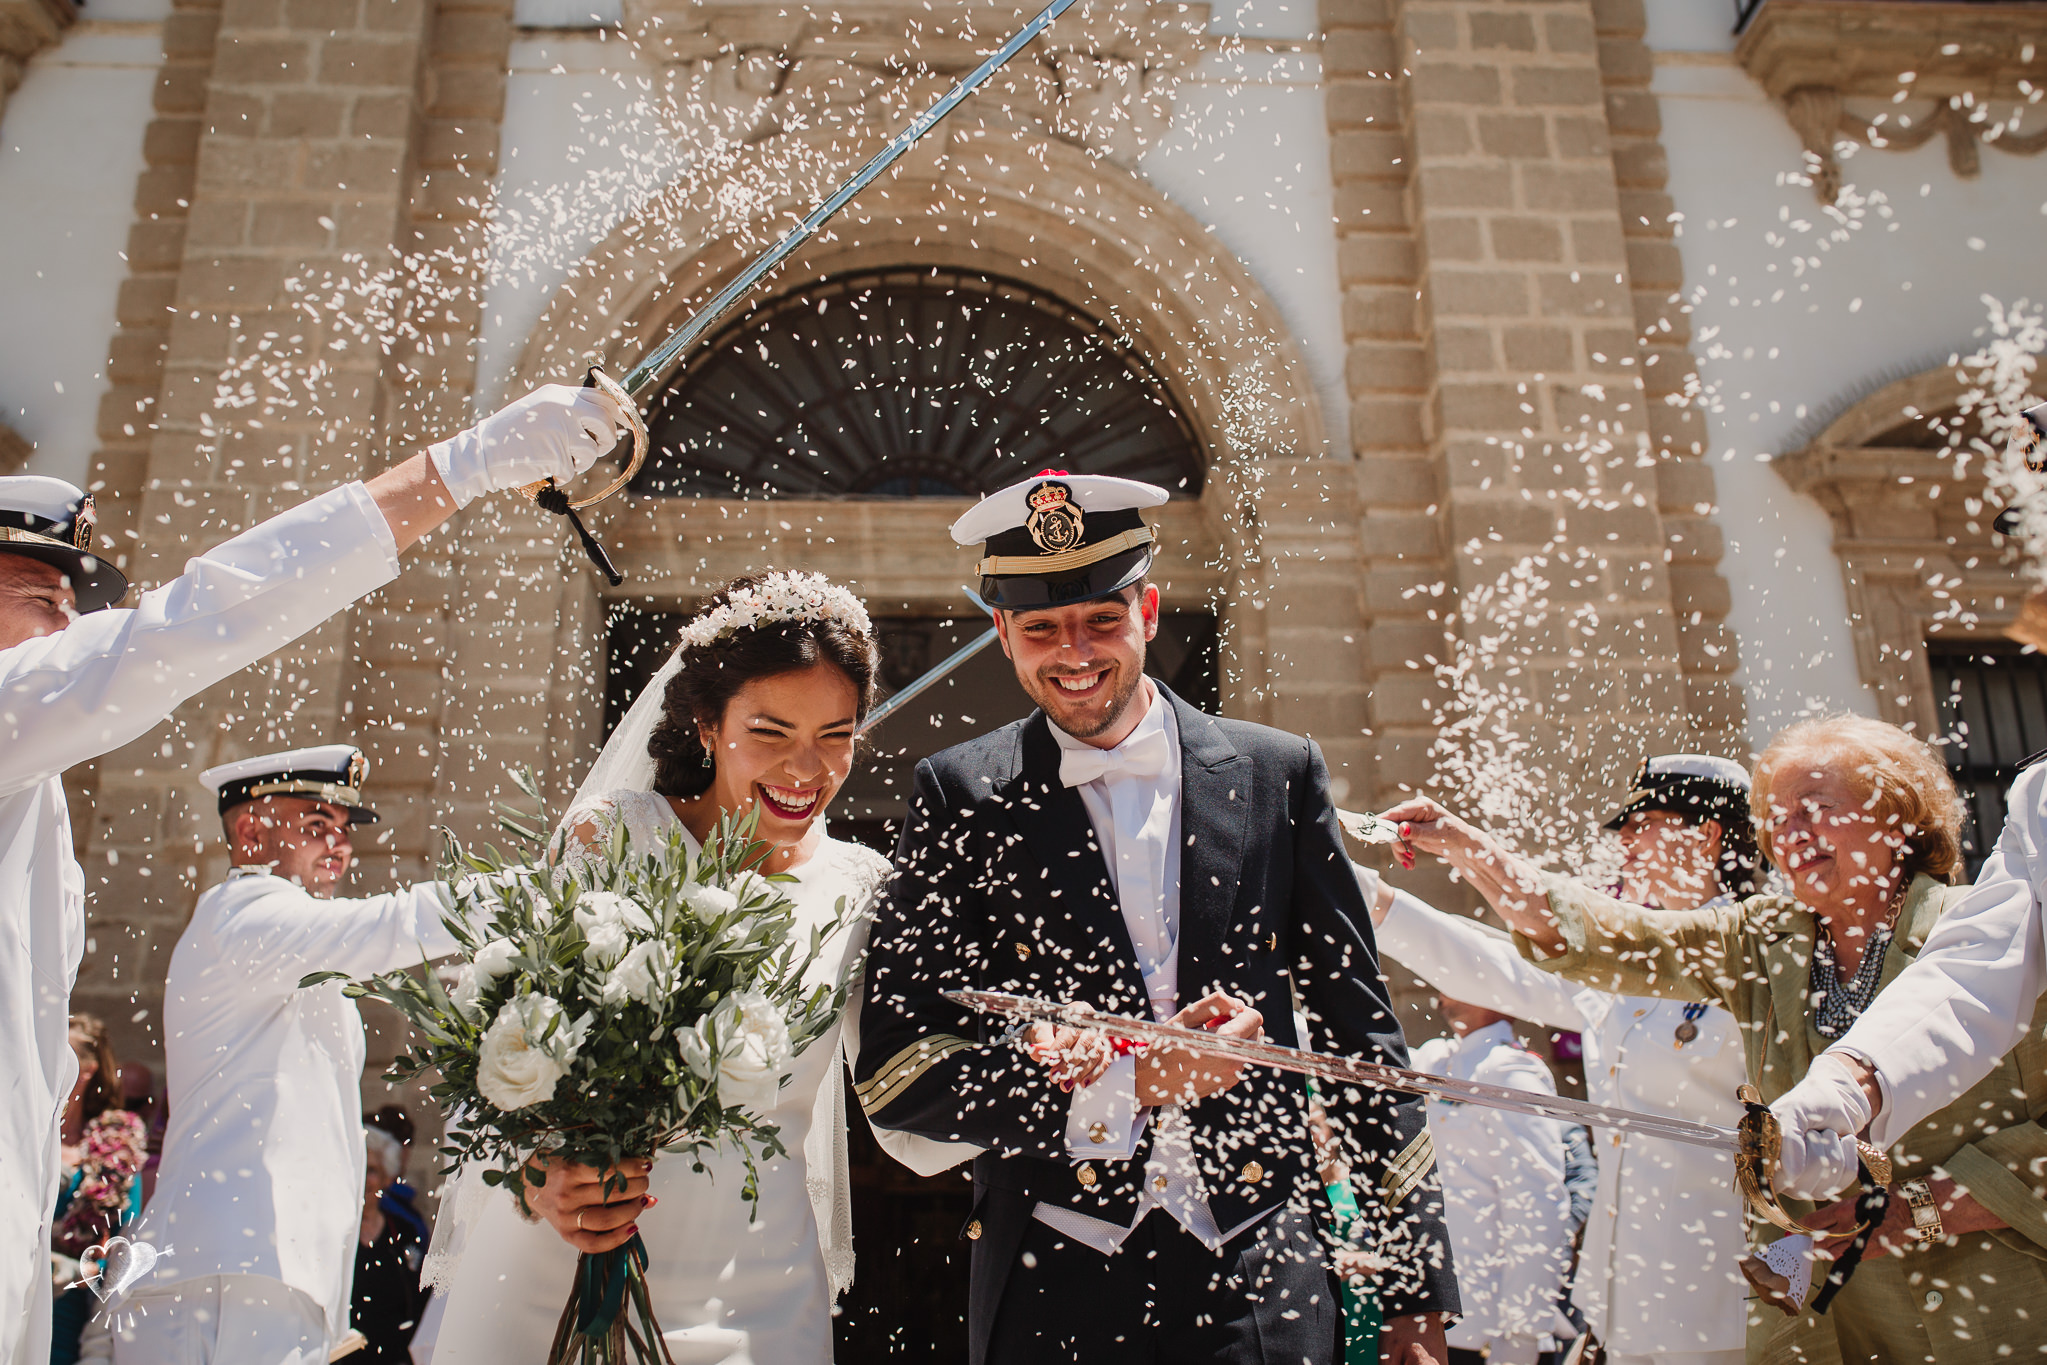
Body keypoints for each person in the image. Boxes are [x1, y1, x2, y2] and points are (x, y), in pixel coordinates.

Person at [0, 383, 623, 1362]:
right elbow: (192, 621)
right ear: (249, 832)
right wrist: (454, 470)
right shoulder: (243, 914)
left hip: (235, 1283)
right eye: (41, 593)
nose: (71, 619)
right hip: (214, 1294)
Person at [854, 471, 1459, 1365]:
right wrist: (1128, 1084)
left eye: (1102, 619)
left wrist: (1414, 1293)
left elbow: (1359, 1033)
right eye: (1042, 629)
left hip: (1265, 1266)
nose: (1075, 651)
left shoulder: (1276, 773)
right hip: (1051, 1279)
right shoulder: (960, 795)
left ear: (1150, 609)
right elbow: (900, 1070)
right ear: (1001, 633)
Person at [1387, 714, 2047, 1364]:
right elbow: (1607, 934)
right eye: (1776, 817)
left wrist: (1926, 1207)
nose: (1790, 833)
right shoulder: (1765, 940)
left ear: (1895, 813)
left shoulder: (1997, 933)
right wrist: (1468, 847)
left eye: (1814, 807)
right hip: (1824, 1322)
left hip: (1989, 1308)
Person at [425, 571, 924, 1365]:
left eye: (836, 733)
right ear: (703, 722)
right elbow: (509, 1045)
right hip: (564, 1265)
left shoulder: (861, 885)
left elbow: (905, 1097)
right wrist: (539, 1175)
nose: (807, 768)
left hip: (760, 1293)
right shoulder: (610, 837)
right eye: (770, 730)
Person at [1362, 754, 1753, 1365]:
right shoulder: (1628, 966)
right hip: (1626, 1301)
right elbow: (1495, 969)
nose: (1624, 839)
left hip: (1729, 1299)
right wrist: (1356, 886)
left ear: (1704, 834)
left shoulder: (1760, 955)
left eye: (1644, 821)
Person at [113, 746, 474, 1364]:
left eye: (343, 832)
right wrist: (532, 887)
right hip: (234, 1264)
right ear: (251, 829)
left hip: (270, 1265)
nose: (339, 846)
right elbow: (386, 927)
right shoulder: (245, 909)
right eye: (315, 827)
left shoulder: (286, 941)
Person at [1411, 998, 1573, 1365]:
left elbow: (1538, 1202)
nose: (1442, 990)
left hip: (1488, 1327)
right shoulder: (1436, 1056)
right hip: (1436, 1314)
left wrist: (1523, 1331)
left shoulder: (1512, 1069)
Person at [51, 1015, 146, 1365]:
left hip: (72, 1308)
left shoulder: (115, 1147)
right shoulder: (21, 1134)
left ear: (86, 1070)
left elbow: (122, 1242)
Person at [352, 1127, 428, 1365]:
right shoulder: (334, 1239)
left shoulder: (405, 1233)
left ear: (387, 1178)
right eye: (357, 1169)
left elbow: (422, 1302)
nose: (364, 1179)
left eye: (372, 1170)